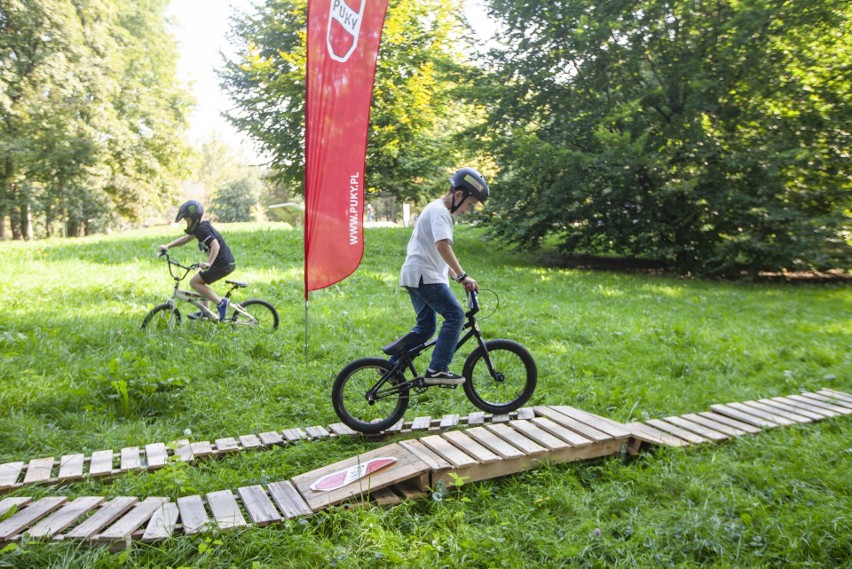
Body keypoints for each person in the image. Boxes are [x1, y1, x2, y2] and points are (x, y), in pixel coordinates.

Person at [395, 167, 490, 385]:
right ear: (458, 195)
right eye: (470, 204)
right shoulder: (440, 213)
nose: (468, 210)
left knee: (426, 328)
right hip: (424, 276)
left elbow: (439, 257)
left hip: (416, 275)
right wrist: (464, 275)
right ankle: (437, 369)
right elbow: (442, 247)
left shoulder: (436, 210)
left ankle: (391, 365)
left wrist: (459, 278)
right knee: (456, 316)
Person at [158, 200, 235, 322]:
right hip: (222, 263)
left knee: (195, 282)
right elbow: (185, 239)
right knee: (200, 282)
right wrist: (168, 246)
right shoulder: (199, 228)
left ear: (194, 218)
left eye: (187, 220)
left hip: (223, 264)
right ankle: (206, 312)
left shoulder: (203, 229)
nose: (187, 223)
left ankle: (220, 303)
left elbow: (216, 246)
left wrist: (209, 263)